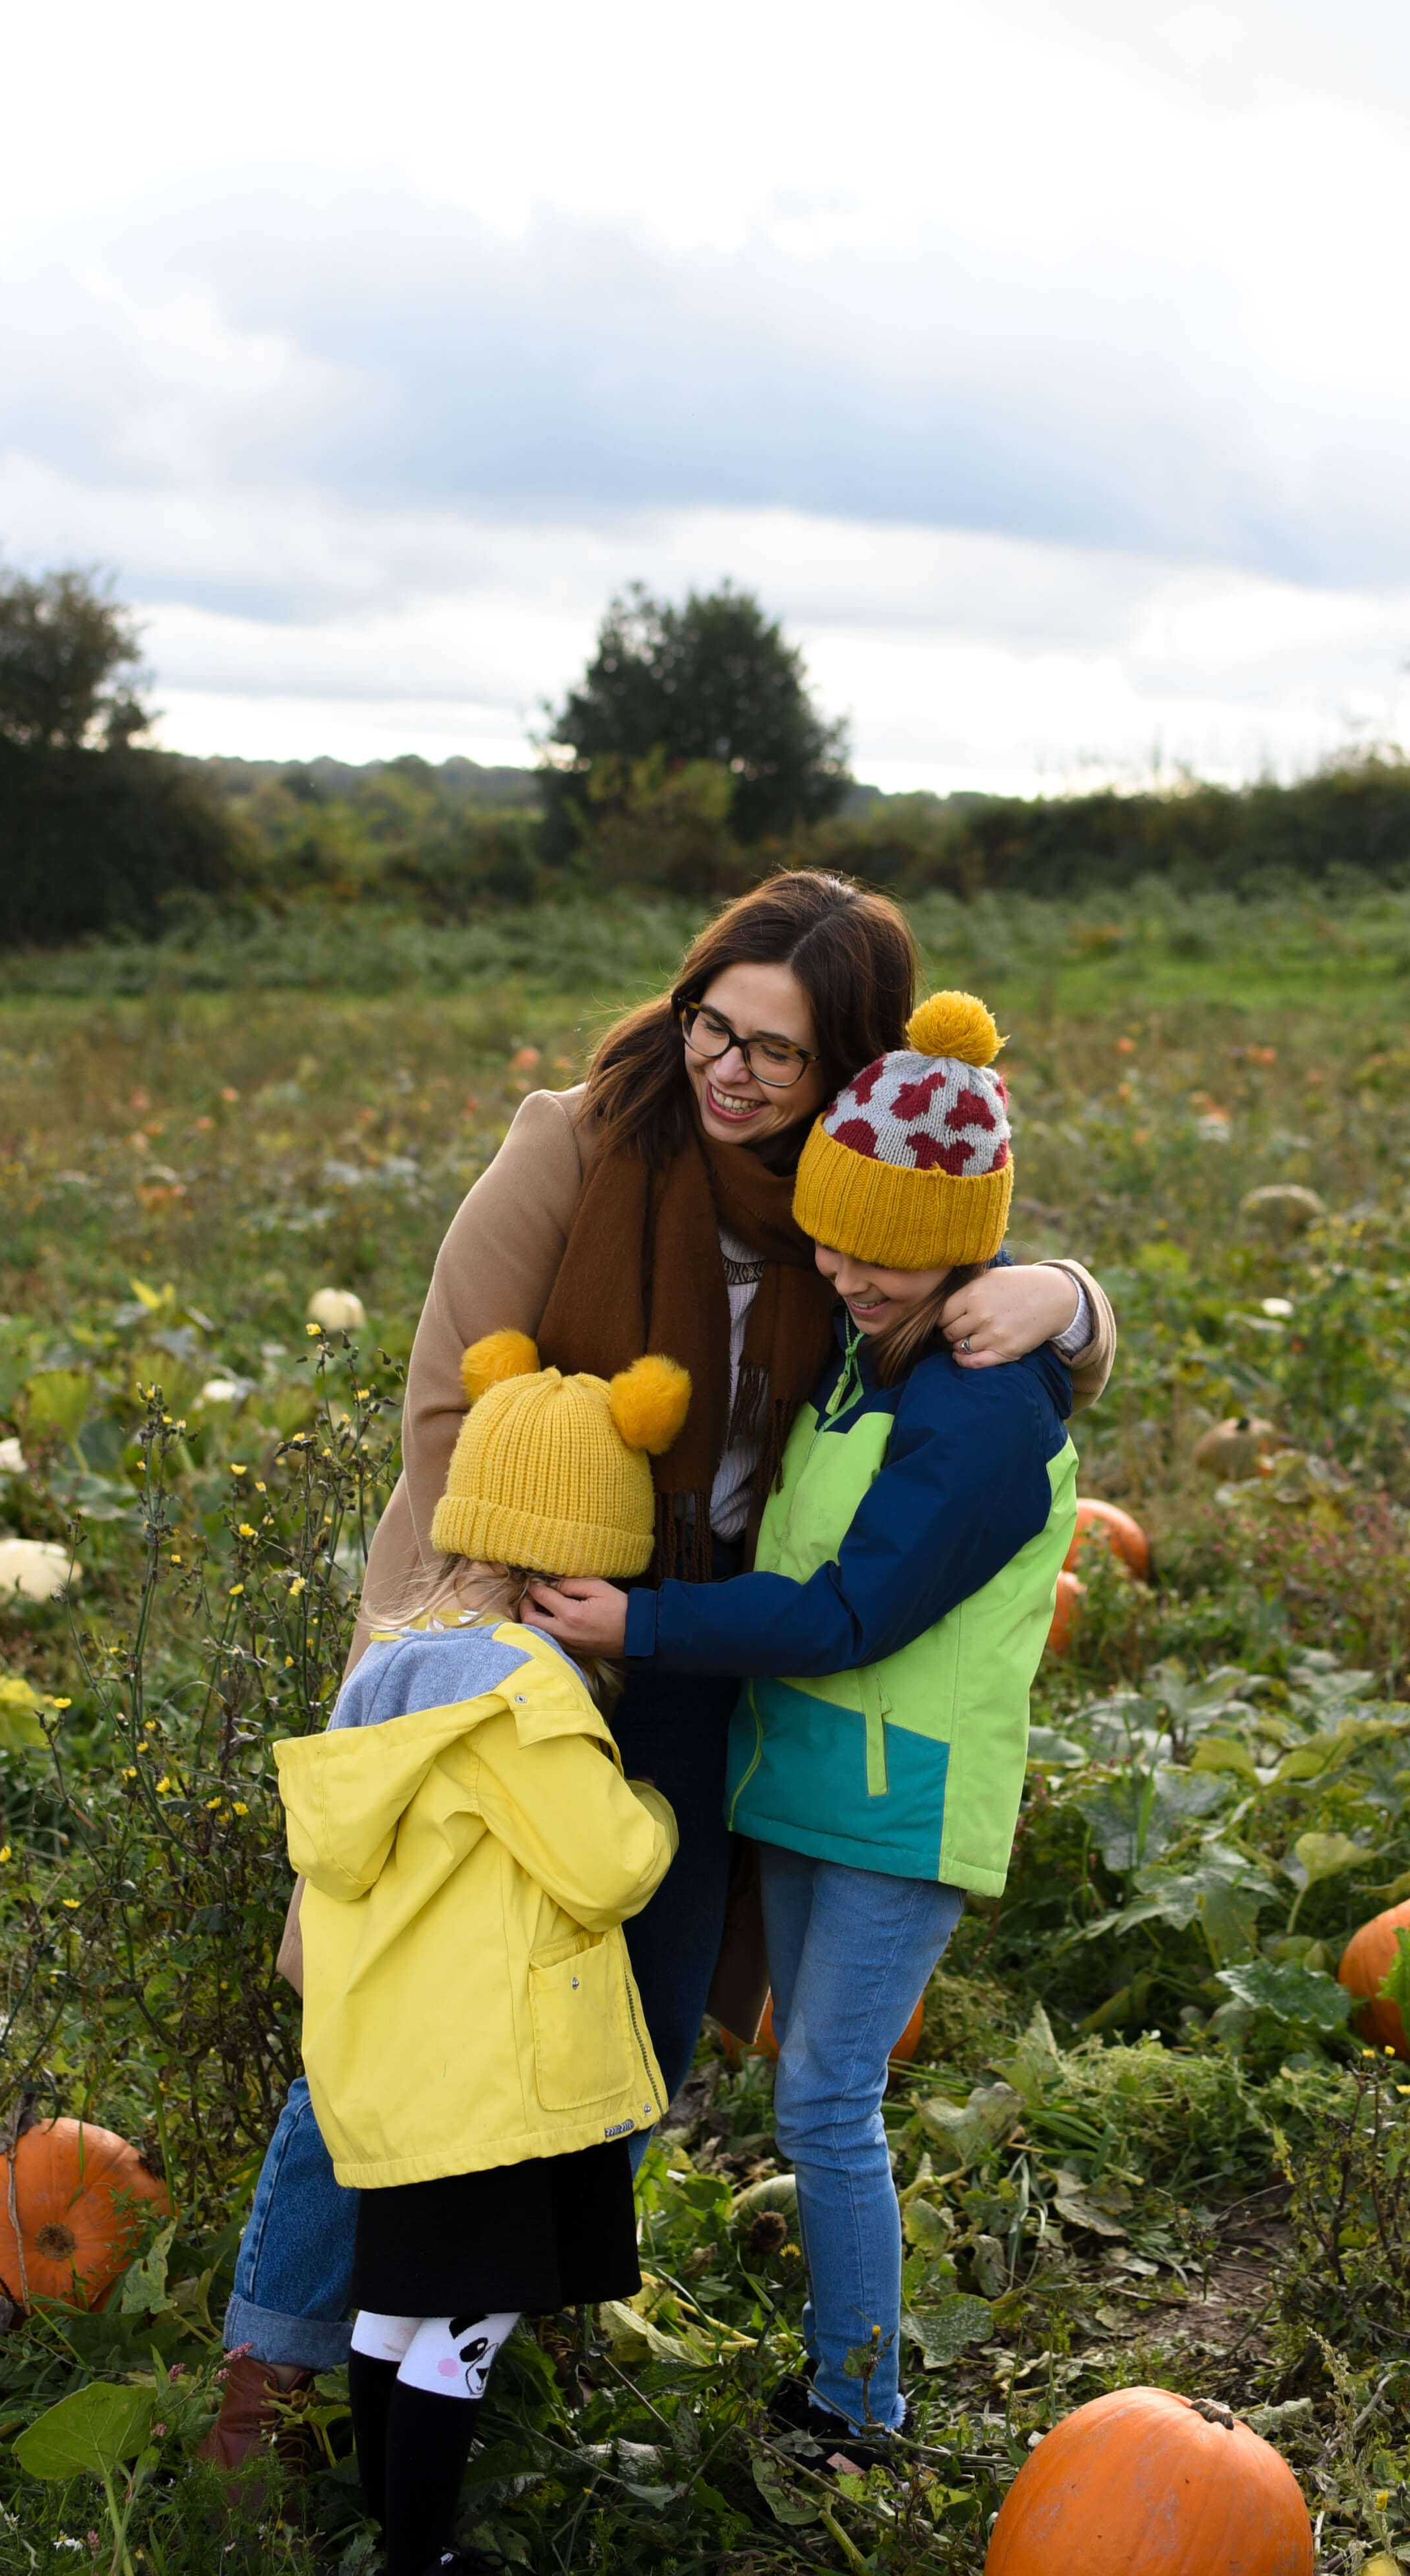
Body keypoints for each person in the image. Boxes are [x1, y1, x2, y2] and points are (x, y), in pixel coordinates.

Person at [209, 875, 1124, 2474]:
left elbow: (988, 1329)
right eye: (718, 1023)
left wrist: (1077, 1294)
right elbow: (445, 1410)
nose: (734, 1070)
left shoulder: (854, 1220)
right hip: (492, 1623)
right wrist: (503, 1627)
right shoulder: (571, 1142)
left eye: (779, 1053)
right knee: (398, 2009)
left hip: (702, 1649)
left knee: (640, 2014)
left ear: (849, 1077)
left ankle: (499, 2316)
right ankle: (268, 2372)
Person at [529, 988, 1075, 2450]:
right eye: (831, 1238)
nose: (846, 1272)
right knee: (805, 2089)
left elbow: (847, 1616)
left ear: (964, 1245)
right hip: (813, 1781)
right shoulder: (870, 1349)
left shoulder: (981, 1410)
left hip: (903, 1804)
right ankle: (840, 2380)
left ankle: (860, 2406)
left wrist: (639, 1624)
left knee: (829, 2102)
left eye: (885, 1252)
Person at [275, 1338, 690, 2576]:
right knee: (470, 2316)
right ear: (584, 1553)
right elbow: (607, 1864)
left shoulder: (389, 1673)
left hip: (401, 2074)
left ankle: (385, 2527)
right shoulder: (526, 1696)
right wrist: (661, 1807)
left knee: (396, 2303)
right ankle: (421, 2552)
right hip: (503, 2083)